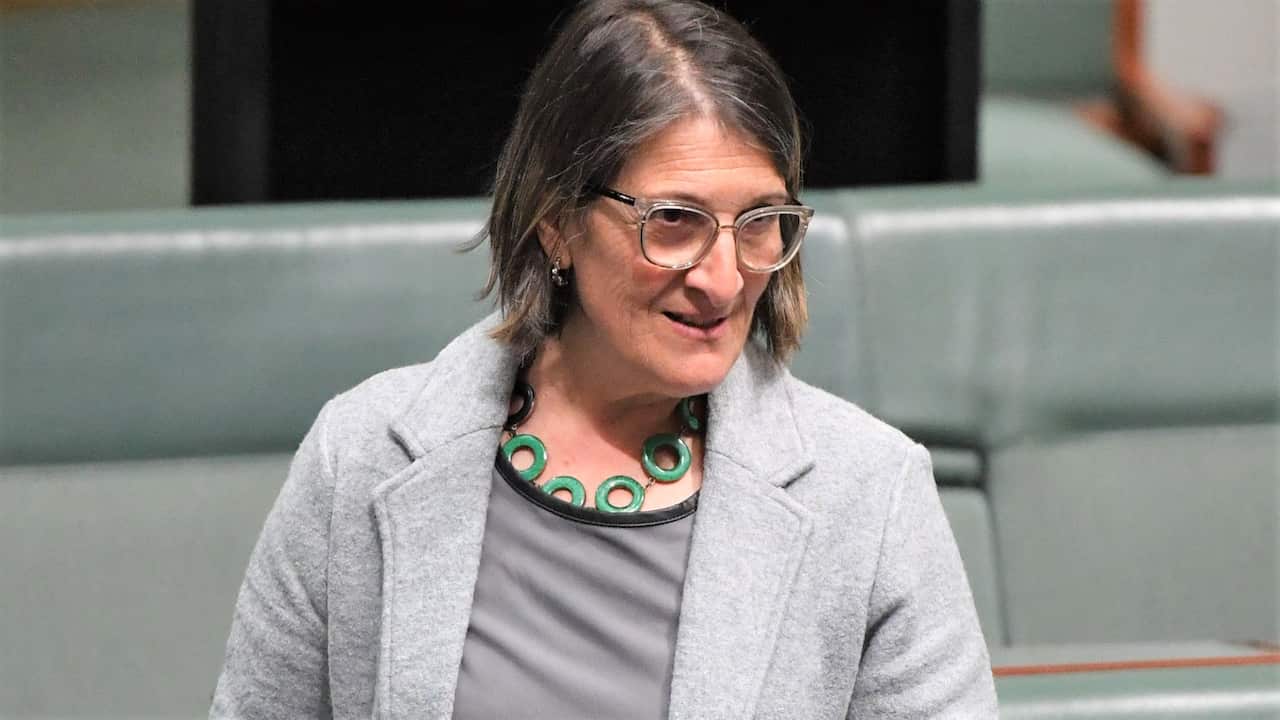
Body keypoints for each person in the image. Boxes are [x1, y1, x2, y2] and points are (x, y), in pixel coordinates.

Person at [210, 0, 997, 717]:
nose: (724, 278)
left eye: (760, 221)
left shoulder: (870, 494)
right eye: (676, 221)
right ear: (556, 221)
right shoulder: (361, 455)